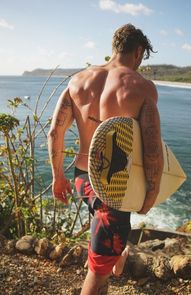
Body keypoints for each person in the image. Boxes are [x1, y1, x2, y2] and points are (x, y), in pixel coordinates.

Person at [48, 23, 164, 295]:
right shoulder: (142, 88)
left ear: (113, 49)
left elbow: (56, 131)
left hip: (81, 179)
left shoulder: (78, 81)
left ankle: (117, 253)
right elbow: (152, 150)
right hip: (115, 191)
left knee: (108, 242)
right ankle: (111, 260)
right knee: (96, 272)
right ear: (138, 52)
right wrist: (152, 192)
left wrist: (57, 176)